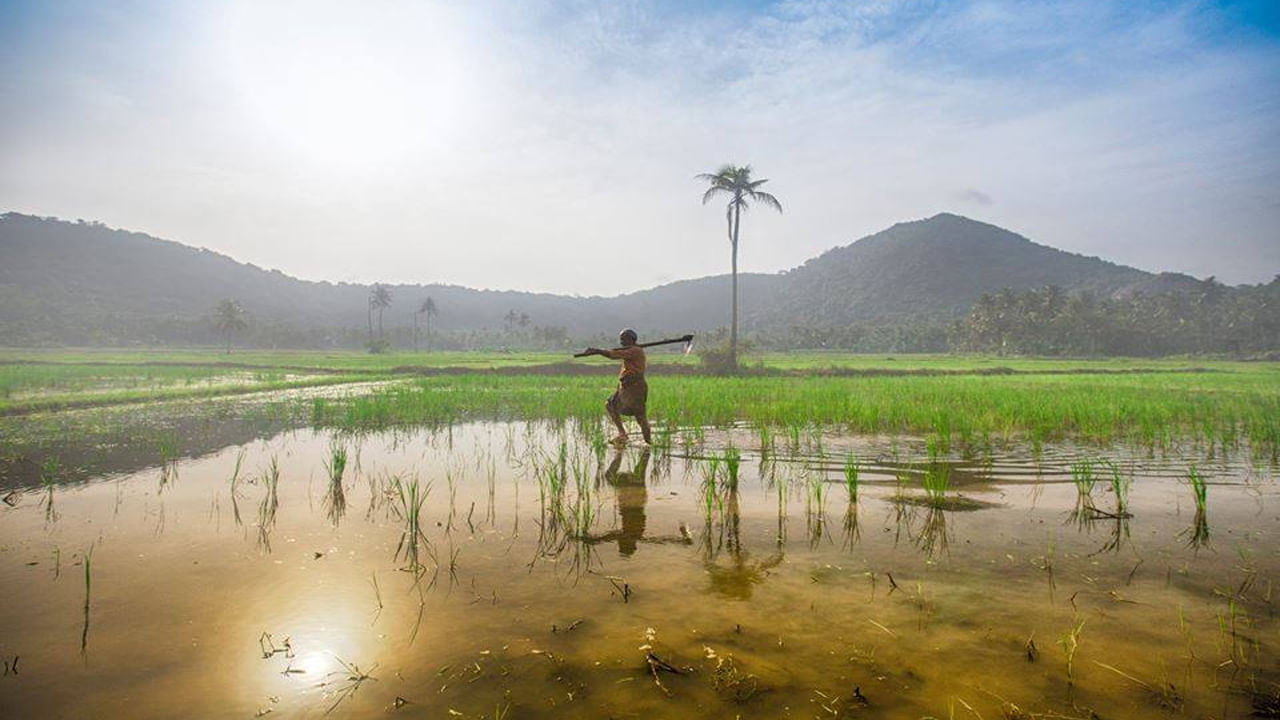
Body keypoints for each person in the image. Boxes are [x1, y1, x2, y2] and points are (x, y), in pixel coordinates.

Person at [584, 328, 653, 445]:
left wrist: (597, 351)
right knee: (610, 404)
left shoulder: (635, 351)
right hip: (624, 387)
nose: (621, 342)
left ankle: (649, 443)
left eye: (623, 339)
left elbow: (613, 355)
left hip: (635, 388)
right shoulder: (632, 350)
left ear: (630, 339)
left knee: (640, 417)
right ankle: (622, 434)